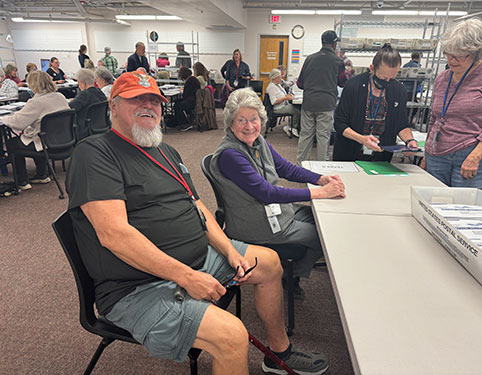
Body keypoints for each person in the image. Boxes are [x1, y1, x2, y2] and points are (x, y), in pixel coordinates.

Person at [65, 71, 329, 375]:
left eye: (154, 100)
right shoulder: (95, 153)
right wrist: (187, 276)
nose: (148, 106)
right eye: (137, 99)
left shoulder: (165, 151)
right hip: (138, 287)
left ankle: (279, 354)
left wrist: (229, 249)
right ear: (113, 105)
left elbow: (198, 207)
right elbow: (115, 234)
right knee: (232, 336)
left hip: (198, 260)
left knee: (269, 262)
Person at [210, 87, 345, 296]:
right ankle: (289, 275)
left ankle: (289, 272)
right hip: (254, 223)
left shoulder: (258, 141)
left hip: (272, 211)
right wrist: (320, 193)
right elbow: (267, 193)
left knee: (318, 219)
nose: (249, 126)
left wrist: (319, 179)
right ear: (230, 123)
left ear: (261, 119)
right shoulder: (230, 155)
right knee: (325, 234)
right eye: (241, 120)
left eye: (254, 119)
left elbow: (284, 168)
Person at [422, 18, 482, 190]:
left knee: (464, 209)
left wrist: (476, 155)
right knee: (435, 204)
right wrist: (427, 154)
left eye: (458, 55)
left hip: (470, 153)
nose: (451, 60)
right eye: (448, 54)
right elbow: (434, 118)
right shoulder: (443, 77)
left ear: (475, 52)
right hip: (437, 154)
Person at [333, 44, 418, 162]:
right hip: (349, 153)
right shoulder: (354, 86)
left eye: (391, 79)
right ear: (372, 69)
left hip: (381, 156)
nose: (387, 82)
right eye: (383, 78)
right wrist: (362, 139)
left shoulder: (398, 91)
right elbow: (339, 123)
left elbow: (401, 124)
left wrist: (410, 141)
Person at [3, 70, 69, 190]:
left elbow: (18, 123)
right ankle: (41, 174)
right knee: (34, 135)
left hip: (46, 143)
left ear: (33, 85)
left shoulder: (36, 102)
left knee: (12, 143)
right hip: (63, 141)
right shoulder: (60, 96)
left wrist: (4, 118)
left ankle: (22, 181)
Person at [296, 30, 342, 164]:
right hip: (326, 104)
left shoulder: (309, 59)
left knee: (305, 136)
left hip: (309, 103)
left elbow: (300, 83)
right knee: (323, 137)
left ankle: (300, 167)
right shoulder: (338, 61)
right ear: (334, 44)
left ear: (322, 42)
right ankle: (320, 168)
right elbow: (343, 82)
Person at [69, 68, 107, 140]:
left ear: (83, 82)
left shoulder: (84, 94)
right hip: (101, 127)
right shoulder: (99, 92)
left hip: (85, 130)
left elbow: (70, 107)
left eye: (78, 83)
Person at [266, 69, 301, 138]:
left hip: (283, 105)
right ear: (274, 78)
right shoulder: (271, 87)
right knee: (297, 111)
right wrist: (285, 98)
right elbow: (273, 102)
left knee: (297, 108)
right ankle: (293, 128)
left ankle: (290, 126)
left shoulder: (277, 85)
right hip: (278, 108)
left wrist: (287, 96)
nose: (281, 79)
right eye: (279, 77)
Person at [167, 67, 200, 131]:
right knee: (177, 102)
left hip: (191, 101)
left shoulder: (189, 81)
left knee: (177, 105)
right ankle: (181, 121)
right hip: (194, 100)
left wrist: (182, 91)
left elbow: (185, 95)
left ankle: (184, 123)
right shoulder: (193, 79)